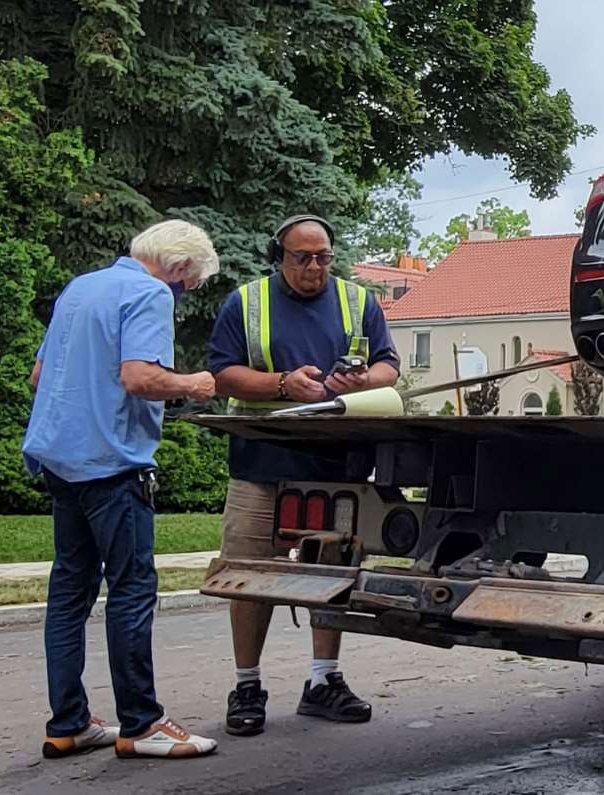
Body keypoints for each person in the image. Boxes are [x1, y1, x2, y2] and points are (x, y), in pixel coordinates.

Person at [24, 219, 221, 760]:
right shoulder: (150, 292)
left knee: (69, 593)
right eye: (193, 284)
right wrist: (194, 384)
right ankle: (142, 723)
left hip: (60, 459)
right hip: (113, 464)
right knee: (132, 590)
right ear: (180, 268)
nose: (186, 294)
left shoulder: (80, 287)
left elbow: (41, 376)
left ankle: (69, 722)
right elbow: (140, 377)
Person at [207, 214, 400, 736]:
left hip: (339, 464)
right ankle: (247, 684)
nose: (314, 268)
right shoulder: (246, 303)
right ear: (280, 257)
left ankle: (323, 682)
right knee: (248, 574)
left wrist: (358, 382)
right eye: (302, 258)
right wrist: (282, 384)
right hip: (262, 462)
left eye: (323, 257)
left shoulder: (359, 302)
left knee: (332, 574)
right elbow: (223, 373)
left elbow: (388, 366)